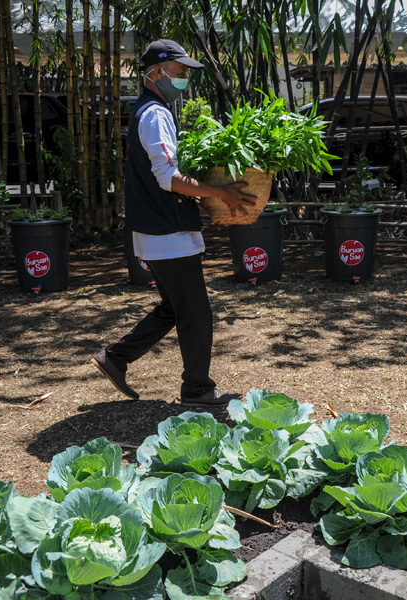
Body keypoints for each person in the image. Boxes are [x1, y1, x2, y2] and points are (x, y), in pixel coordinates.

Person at [92, 39, 254, 407]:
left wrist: (194, 191)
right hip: (168, 234)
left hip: (156, 229)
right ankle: (197, 389)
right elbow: (166, 176)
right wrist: (219, 192)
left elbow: (161, 176)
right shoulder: (156, 114)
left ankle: (115, 358)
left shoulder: (150, 111)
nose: (182, 79)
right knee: (196, 314)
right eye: (178, 72)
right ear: (155, 73)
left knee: (174, 308)